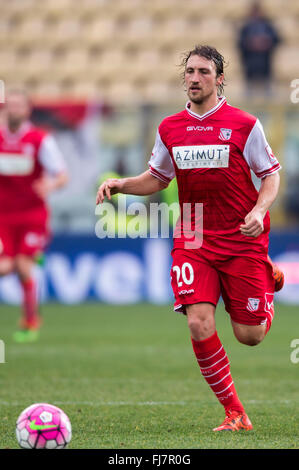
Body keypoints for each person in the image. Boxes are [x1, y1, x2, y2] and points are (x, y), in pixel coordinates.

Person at [96, 45, 284, 432]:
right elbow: (157, 177)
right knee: (198, 322)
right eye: (190, 71)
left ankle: (268, 281)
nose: (195, 78)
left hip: (241, 237)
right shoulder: (169, 127)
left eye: (203, 72)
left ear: (219, 79)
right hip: (193, 235)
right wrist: (121, 185)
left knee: (250, 336)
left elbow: (271, 174)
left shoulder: (244, 124)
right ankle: (235, 412)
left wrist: (259, 211)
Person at [0, 89, 68, 342]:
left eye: (19, 105)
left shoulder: (39, 140)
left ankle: (30, 321)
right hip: (3, 217)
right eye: (11, 105)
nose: (14, 109)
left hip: (32, 215)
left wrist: (49, 186)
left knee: (22, 267)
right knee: (6, 267)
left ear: (27, 110)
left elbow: (62, 175)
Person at [237, 2, 281, 97]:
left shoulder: (268, 26)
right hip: (250, 58)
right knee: (249, 71)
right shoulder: (246, 27)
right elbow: (240, 42)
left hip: (265, 57)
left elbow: (277, 39)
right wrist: (251, 43)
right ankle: (249, 92)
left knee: (266, 73)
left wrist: (265, 43)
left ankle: (267, 92)